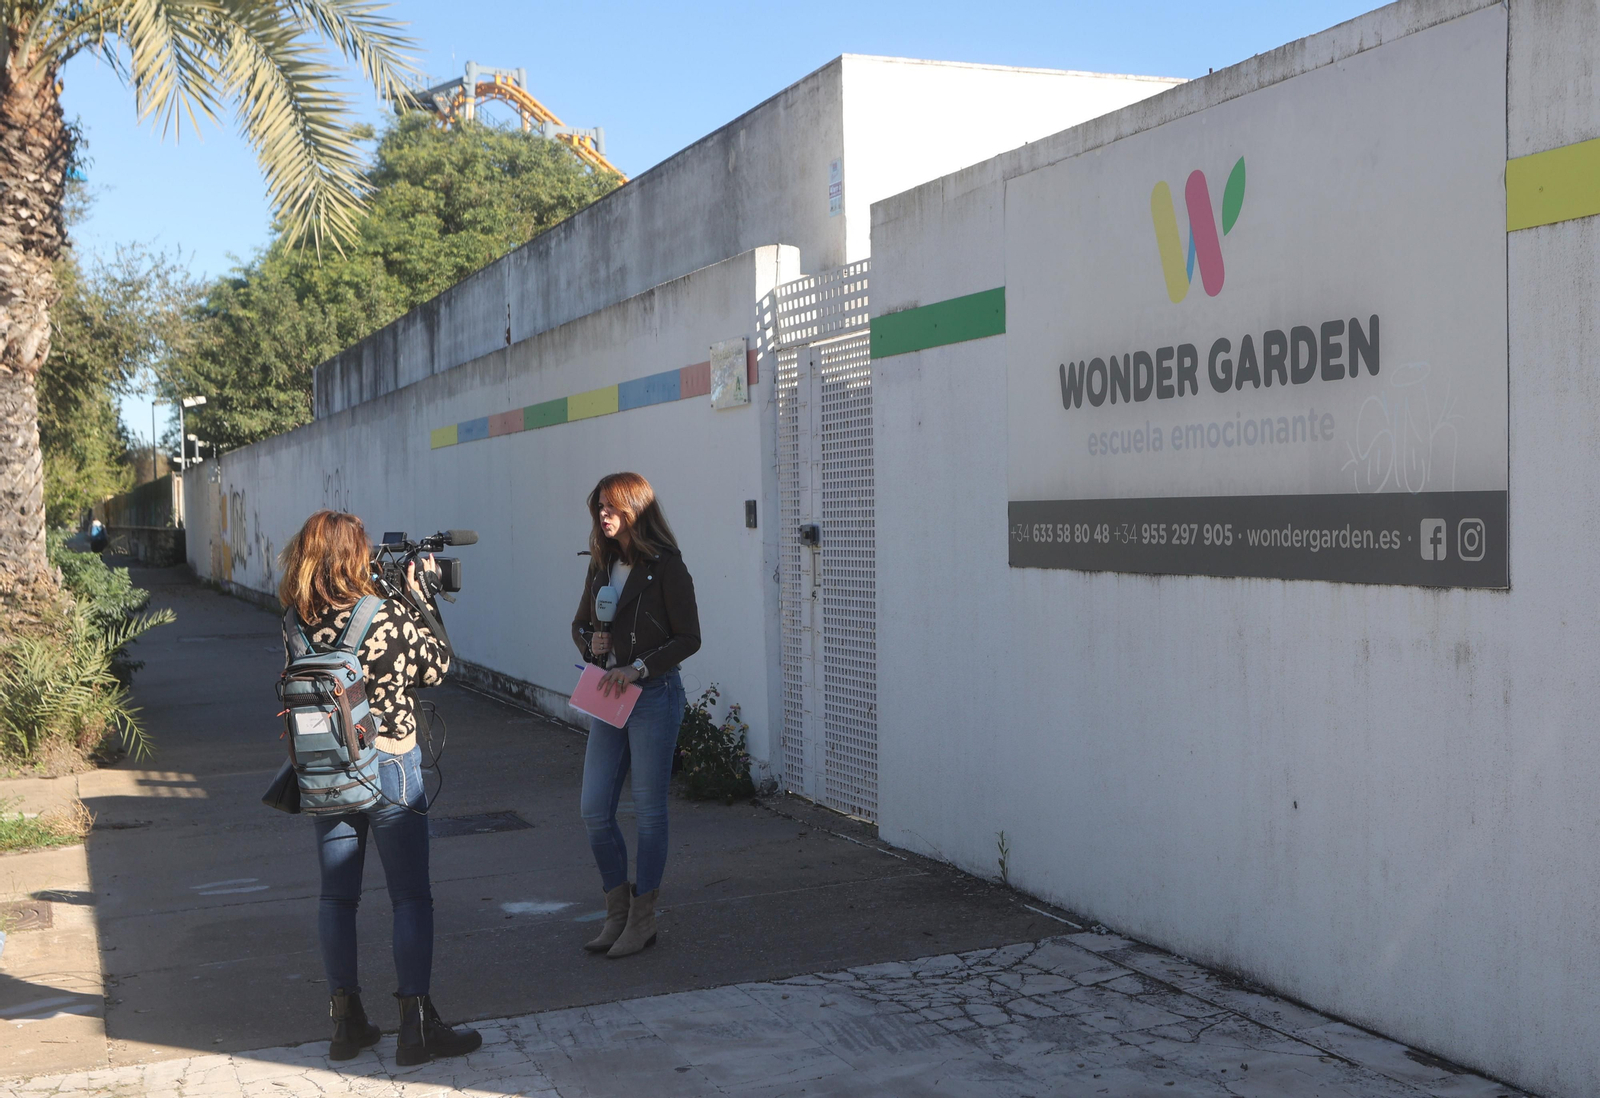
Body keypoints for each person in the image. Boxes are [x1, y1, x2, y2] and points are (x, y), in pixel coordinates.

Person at [277, 510, 481, 1064]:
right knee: (410, 896)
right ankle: (416, 1028)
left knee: (337, 897)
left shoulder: (295, 620)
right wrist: (421, 599)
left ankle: (346, 1023)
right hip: (390, 766)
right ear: (353, 556)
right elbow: (437, 667)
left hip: (327, 772)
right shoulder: (382, 614)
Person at [571, 472, 699, 958]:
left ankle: (642, 919)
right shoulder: (601, 565)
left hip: (653, 697)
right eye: (598, 506)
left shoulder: (667, 567)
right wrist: (591, 643)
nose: (602, 515)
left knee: (649, 812)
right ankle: (617, 911)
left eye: (611, 507)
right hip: (607, 695)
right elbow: (580, 623)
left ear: (634, 510)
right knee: (594, 809)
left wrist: (638, 667)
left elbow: (689, 638)